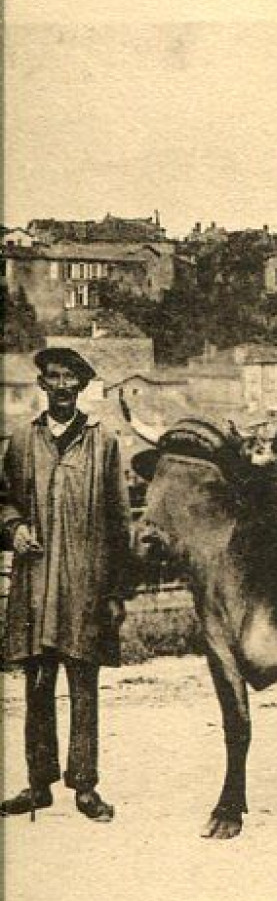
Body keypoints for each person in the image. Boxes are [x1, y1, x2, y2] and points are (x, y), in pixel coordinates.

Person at [0, 347, 133, 822]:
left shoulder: (104, 443)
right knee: (37, 686)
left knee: (83, 687)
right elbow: (4, 501)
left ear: (81, 386)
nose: (60, 386)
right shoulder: (20, 441)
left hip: (84, 588)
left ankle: (85, 786)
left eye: (69, 378)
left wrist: (117, 592)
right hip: (35, 586)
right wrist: (14, 528)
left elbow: (121, 525)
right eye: (52, 377)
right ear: (42, 385)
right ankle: (38, 784)